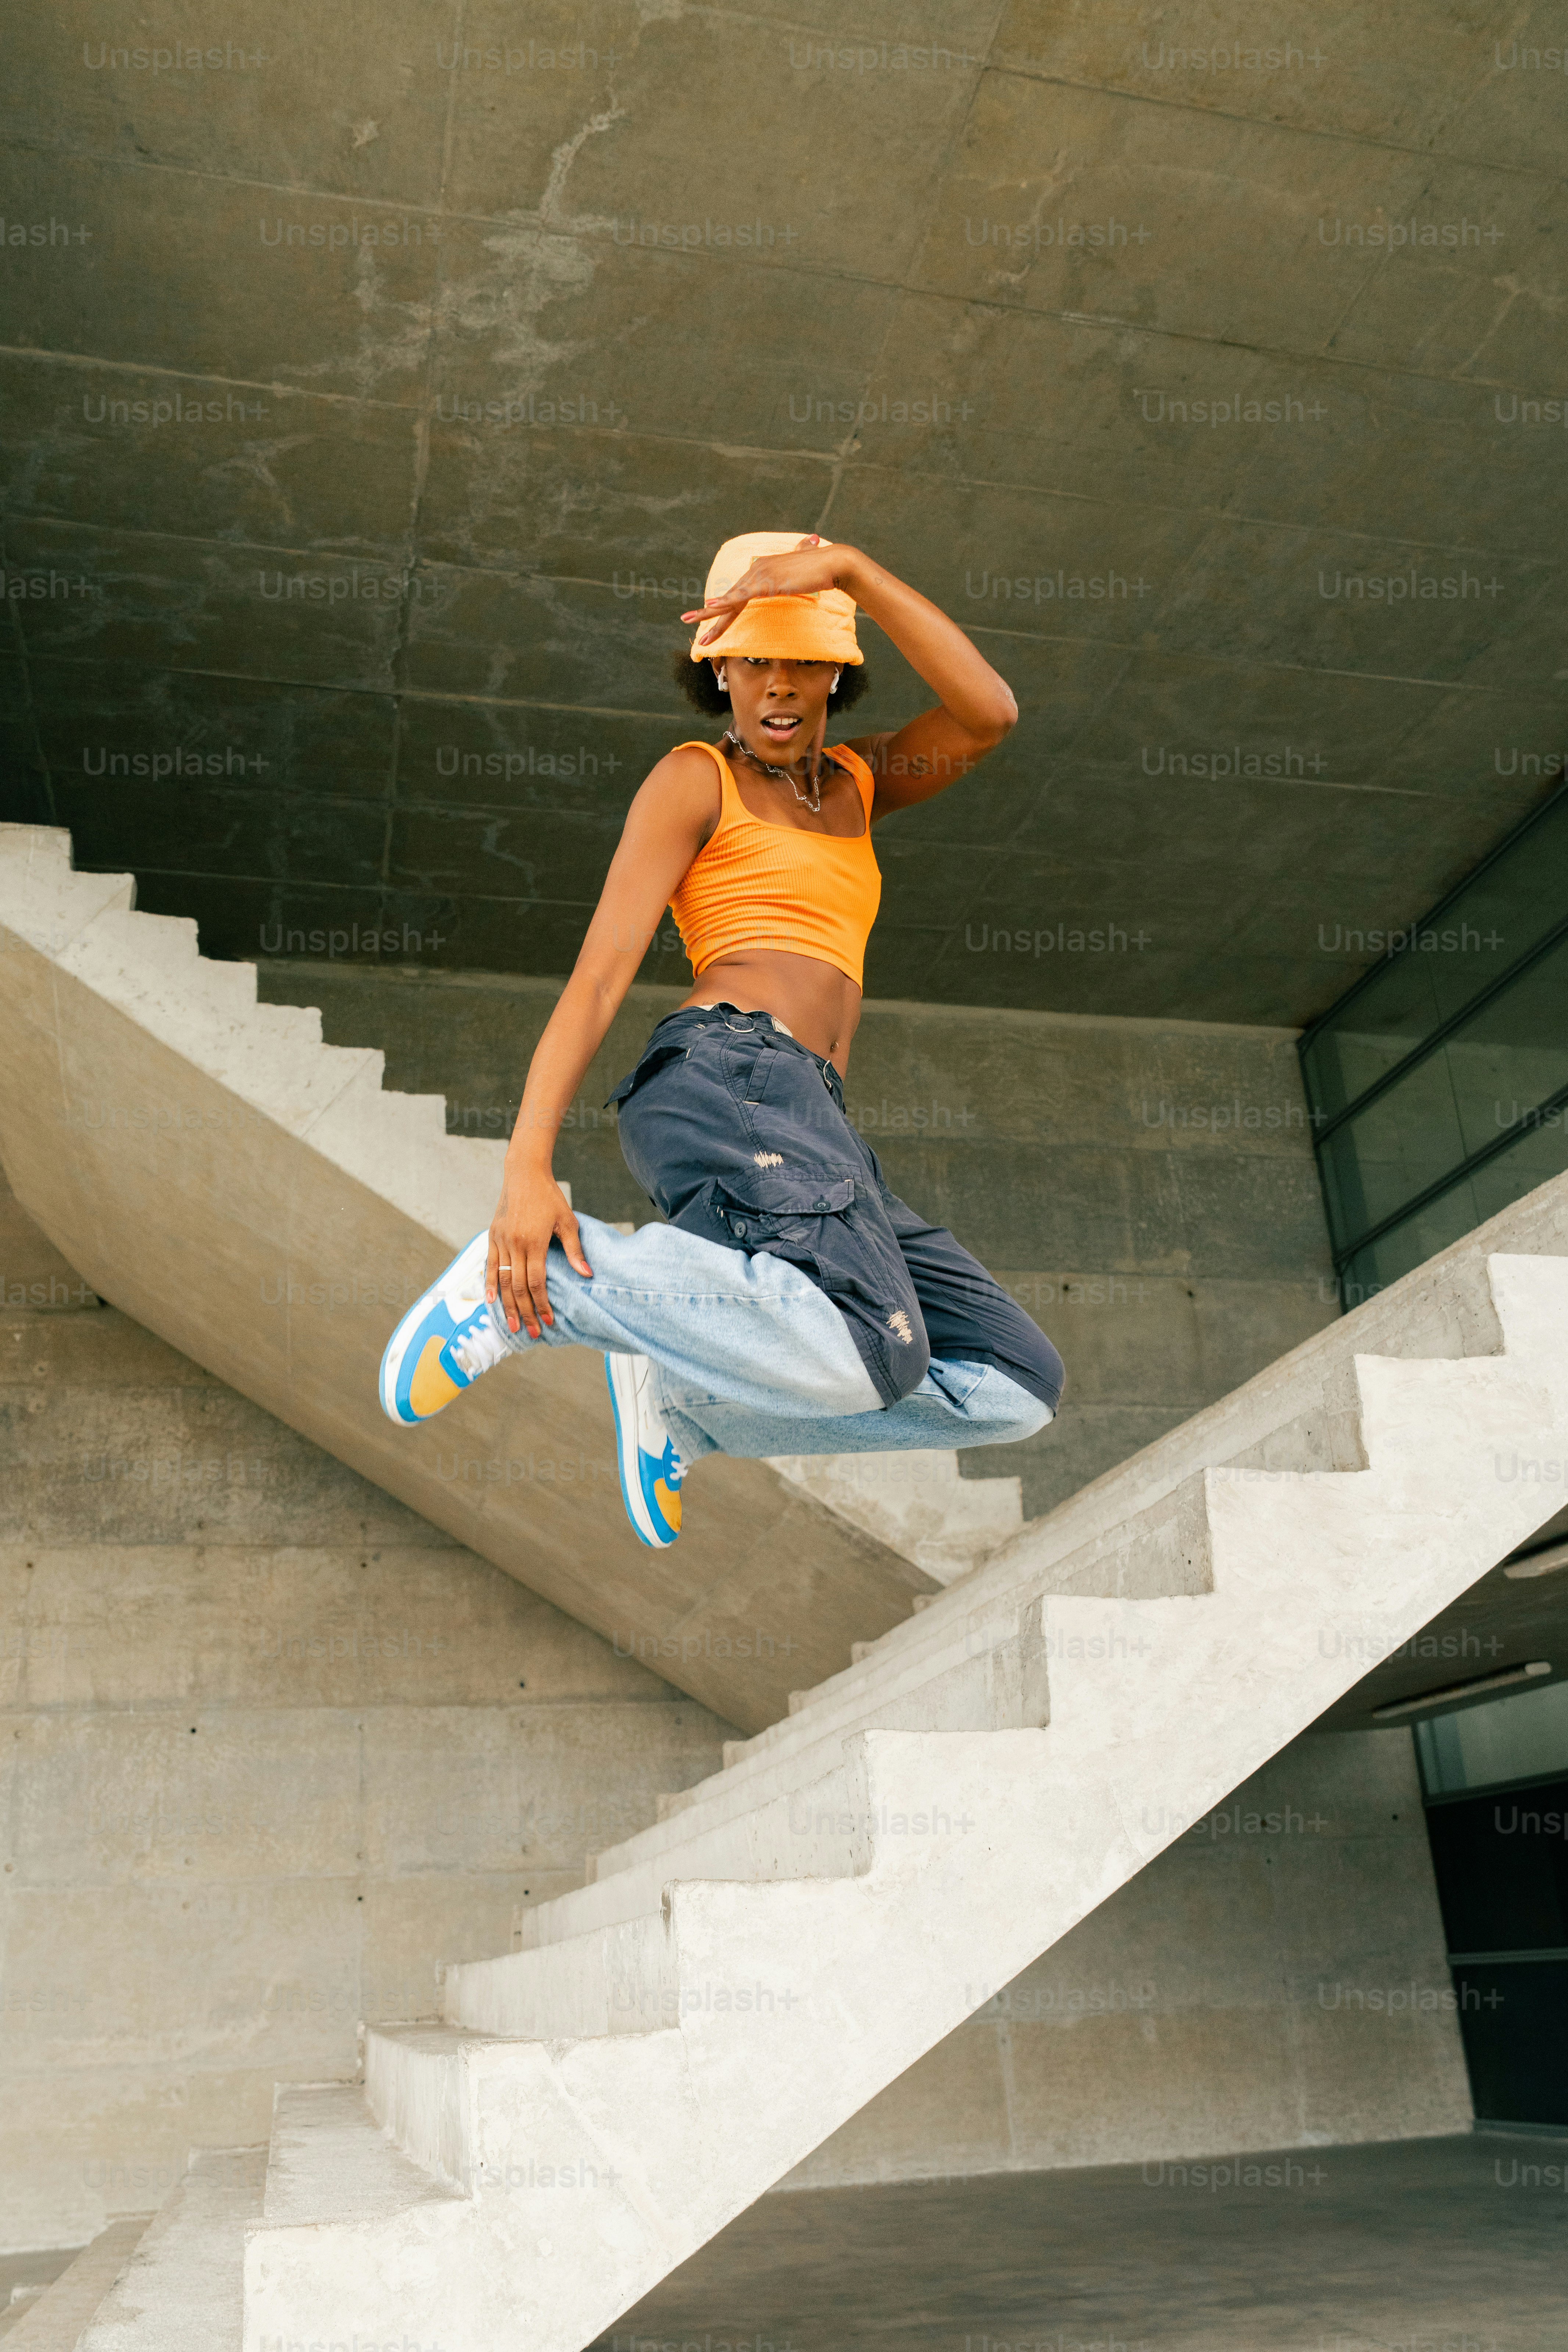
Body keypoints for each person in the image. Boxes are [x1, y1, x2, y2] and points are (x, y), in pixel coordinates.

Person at [380, 532, 1064, 1547]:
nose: (778, 685)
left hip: (813, 1128)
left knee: (1013, 1385)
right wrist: (527, 1167)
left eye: (803, 661)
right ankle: (554, 1290)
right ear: (719, 673)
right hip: (730, 1073)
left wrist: (854, 572)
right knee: (867, 1351)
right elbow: (599, 975)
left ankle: (686, 1405)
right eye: (753, 661)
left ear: (837, 674)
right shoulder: (695, 778)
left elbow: (989, 713)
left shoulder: (860, 782)